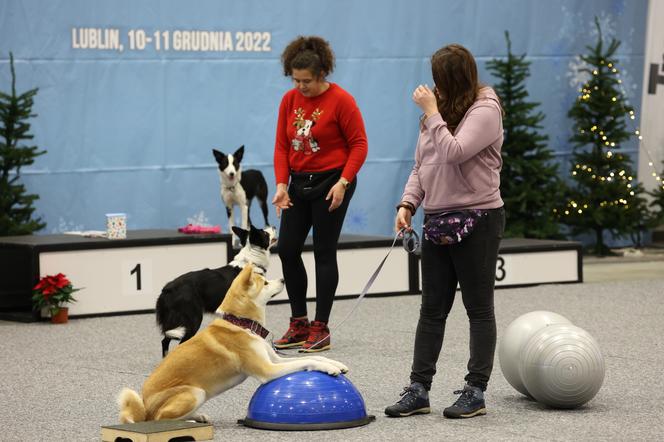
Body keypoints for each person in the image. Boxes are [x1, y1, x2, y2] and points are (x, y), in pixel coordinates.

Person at [385, 44, 505, 419]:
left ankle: (476, 390)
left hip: (478, 218)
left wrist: (432, 113)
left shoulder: (485, 109)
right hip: (437, 219)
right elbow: (423, 165)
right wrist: (407, 205)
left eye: (439, 80)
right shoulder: (435, 114)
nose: (434, 87)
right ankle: (419, 389)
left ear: (453, 80)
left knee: (478, 308)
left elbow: (454, 151)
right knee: (432, 309)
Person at [271, 36, 368, 353]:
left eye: (307, 81)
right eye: (296, 80)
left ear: (322, 73)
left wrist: (343, 181)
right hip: (298, 182)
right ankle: (298, 323)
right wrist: (281, 184)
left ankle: (320, 328)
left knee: (324, 252)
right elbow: (283, 146)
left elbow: (359, 145)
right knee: (287, 249)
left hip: (332, 182)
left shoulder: (342, 101)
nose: (301, 87)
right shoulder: (289, 100)